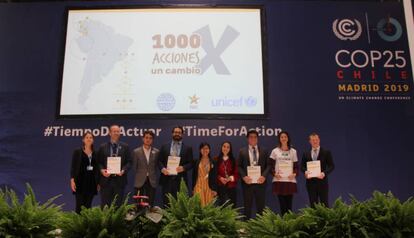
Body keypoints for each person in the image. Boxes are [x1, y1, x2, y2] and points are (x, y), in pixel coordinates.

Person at [238, 129, 270, 219]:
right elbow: (239, 166)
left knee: (261, 208)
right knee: (247, 207)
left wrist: (264, 176)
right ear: (248, 139)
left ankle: (260, 228)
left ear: (257, 139)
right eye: (251, 137)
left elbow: (268, 165)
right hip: (247, 183)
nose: (253, 139)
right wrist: (244, 177)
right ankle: (246, 229)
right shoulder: (242, 151)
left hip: (261, 183)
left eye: (255, 137)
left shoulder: (264, 150)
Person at [97, 124, 131, 208]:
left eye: (118, 131)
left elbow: (129, 162)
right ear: (110, 133)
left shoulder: (125, 147)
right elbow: (98, 162)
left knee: (118, 206)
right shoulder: (102, 147)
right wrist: (102, 171)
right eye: (114, 131)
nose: (116, 133)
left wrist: (123, 170)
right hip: (106, 181)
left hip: (119, 180)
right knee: (105, 206)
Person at [158, 126, 193, 207]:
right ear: (172, 133)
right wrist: (162, 169)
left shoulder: (188, 148)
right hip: (166, 180)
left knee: (180, 205)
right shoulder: (164, 146)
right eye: (175, 132)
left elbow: (191, 163)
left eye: (179, 132)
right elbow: (159, 161)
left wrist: (183, 168)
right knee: (166, 203)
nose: (177, 134)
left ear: (182, 134)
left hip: (181, 180)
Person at [301, 133, 335, 208]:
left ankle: (325, 220)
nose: (315, 141)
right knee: (313, 205)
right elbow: (302, 166)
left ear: (319, 140)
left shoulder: (326, 152)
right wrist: (305, 172)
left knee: (324, 204)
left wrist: (324, 173)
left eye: (316, 140)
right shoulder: (306, 153)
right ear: (310, 141)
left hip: (322, 183)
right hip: (310, 183)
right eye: (313, 140)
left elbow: (332, 166)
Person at [268, 131, 298, 215]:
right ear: (279, 139)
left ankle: (289, 226)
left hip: (290, 181)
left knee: (289, 206)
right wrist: (274, 174)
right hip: (279, 181)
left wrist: (294, 174)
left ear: (288, 138)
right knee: (282, 205)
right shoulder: (275, 151)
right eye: (281, 137)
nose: (283, 138)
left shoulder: (293, 151)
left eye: (285, 137)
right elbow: (270, 165)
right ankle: (283, 226)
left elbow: (296, 166)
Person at [70, 132, 99, 213]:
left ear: (93, 140)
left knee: (88, 206)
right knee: (79, 205)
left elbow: (97, 169)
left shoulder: (96, 153)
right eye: (87, 137)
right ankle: (78, 225)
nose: (89, 139)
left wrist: (98, 182)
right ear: (83, 140)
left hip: (92, 182)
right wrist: (72, 180)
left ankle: (86, 225)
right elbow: (73, 167)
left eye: (91, 137)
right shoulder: (77, 152)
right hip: (79, 182)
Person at [132, 130, 159, 207]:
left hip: (151, 181)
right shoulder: (136, 152)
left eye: (150, 138)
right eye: (146, 137)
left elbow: (157, 165)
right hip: (139, 180)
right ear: (143, 138)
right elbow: (134, 167)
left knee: (150, 203)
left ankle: (148, 219)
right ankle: (139, 218)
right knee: (138, 203)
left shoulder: (156, 152)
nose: (148, 139)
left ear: (152, 140)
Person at [192, 142, 217, 206]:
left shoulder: (213, 161)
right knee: (199, 206)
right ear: (200, 150)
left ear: (209, 150)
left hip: (209, 187)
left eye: (207, 148)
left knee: (208, 207)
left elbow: (214, 176)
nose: (205, 150)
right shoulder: (196, 161)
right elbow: (193, 176)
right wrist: (193, 188)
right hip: (198, 186)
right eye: (203, 148)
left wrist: (214, 189)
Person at [215, 141, 238, 207]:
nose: (225, 148)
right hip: (220, 187)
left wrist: (230, 178)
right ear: (221, 148)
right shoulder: (216, 159)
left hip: (231, 187)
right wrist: (220, 178)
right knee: (221, 207)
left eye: (228, 147)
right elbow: (214, 174)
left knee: (232, 207)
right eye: (224, 146)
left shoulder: (233, 160)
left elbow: (236, 174)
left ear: (230, 149)